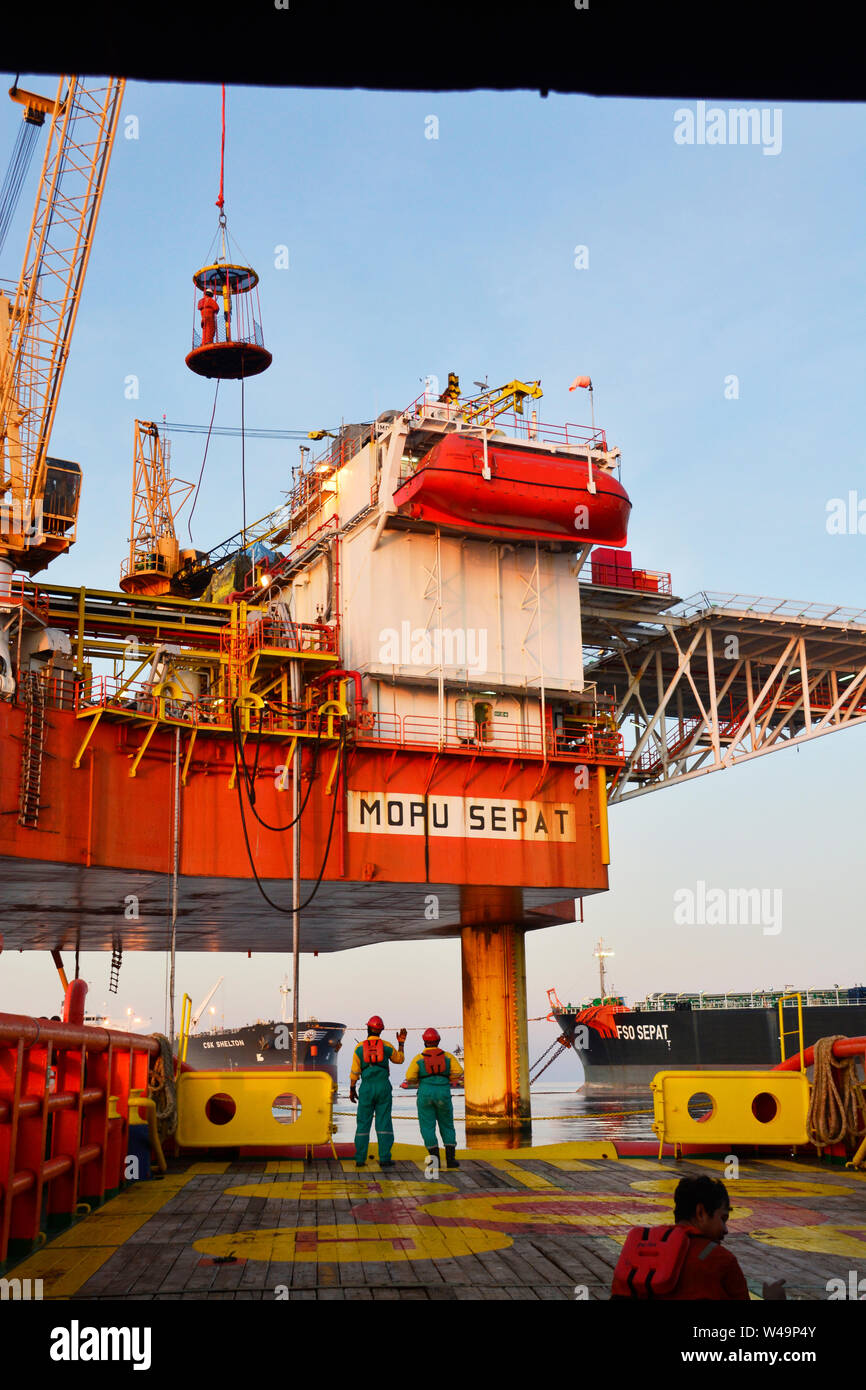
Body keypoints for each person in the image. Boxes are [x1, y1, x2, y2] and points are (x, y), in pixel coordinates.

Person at [611, 1175, 786, 1301]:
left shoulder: (636, 1252)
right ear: (701, 1212)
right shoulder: (721, 1260)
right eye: (722, 1219)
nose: (725, 1230)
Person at [401, 1027, 464, 1169]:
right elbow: (459, 1072)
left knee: (427, 1126)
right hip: (443, 1092)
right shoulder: (447, 1056)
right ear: (438, 1040)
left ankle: (434, 1161)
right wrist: (447, 1078)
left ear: (424, 1041)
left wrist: (420, 1081)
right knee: (447, 1125)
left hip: (425, 1092)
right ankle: (451, 1160)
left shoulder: (419, 1058)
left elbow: (410, 1076)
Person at [349, 1016, 406, 1168]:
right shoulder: (386, 1046)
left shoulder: (359, 1048)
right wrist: (401, 1043)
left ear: (367, 1028)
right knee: (384, 1122)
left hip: (366, 1088)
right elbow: (400, 1059)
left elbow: (355, 1071)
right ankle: (385, 1158)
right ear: (381, 1030)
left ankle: (360, 1159)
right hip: (383, 1087)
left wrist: (352, 1089)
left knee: (363, 1123)